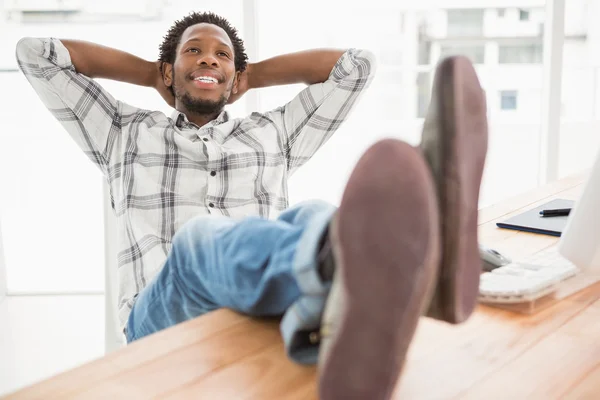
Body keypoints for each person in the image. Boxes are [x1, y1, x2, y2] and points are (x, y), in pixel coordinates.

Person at [16, 11, 488, 399]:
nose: (208, 59)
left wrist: (250, 76)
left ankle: (381, 280)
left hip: (259, 310)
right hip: (161, 320)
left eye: (222, 55)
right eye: (193, 51)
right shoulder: (124, 132)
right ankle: (367, 261)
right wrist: (149, 75)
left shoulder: (273, 133)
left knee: (310, 214)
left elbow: (356, 66)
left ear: (235, 76)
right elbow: (36, 55)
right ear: (168, 70)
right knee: (200, 239)